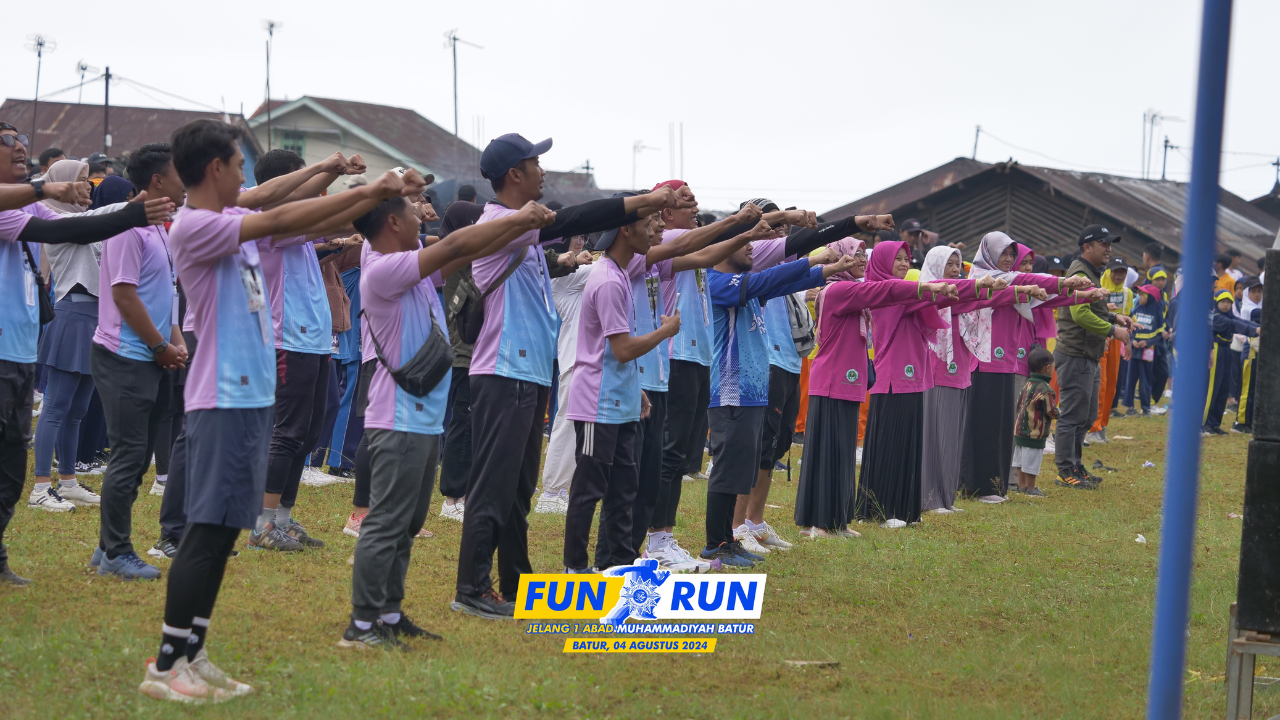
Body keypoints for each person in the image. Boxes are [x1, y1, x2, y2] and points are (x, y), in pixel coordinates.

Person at [138, 118, 423, 702]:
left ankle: (194, 651)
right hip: (222, 396)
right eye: (239, 165)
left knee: (223, 533)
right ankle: (167, 664)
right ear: (215, 169)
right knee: (205, 532)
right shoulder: (197, 225)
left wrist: (340, 179)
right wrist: (373, 191)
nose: (247, 177)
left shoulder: (228, 216)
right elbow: (280, 216)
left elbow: (274, 200)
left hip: (247, 395)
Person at [452, 133, 695, 621]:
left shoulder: (522, 227)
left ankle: (515, 583)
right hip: (503, 370)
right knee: (495, 484)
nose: (543, 171)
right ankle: (471, 587)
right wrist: (643, 201)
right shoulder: (502, 222)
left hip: (526, 373)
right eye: (535, 163)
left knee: (518, 488)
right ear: (515, 174)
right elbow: (577, 219)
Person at [340, 192, 554, 649]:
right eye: (412, 211)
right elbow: (456, 245)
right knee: (386, 521)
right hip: (397, 417)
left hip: (421, 419)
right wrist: (517, 218)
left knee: (408, 522)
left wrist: (514, 229)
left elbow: (464, 251)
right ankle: (361, 625)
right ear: (391, 222)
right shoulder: (383, 268)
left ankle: (390, 613)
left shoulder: (409, 265)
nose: (423, 217)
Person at [0, 120, 172, 587]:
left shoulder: (22, 209)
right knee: (55, 413)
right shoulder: (17, 205)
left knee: (11, 462)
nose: (19, 147)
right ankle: (47, 489)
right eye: (7, 142)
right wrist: (47, 186)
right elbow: (67, 229)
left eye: (21, 141)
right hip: (25, 340)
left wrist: (134, 209)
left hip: (18, 348)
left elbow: (78, 225)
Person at [703, 239, 852, 565]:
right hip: (731, 389)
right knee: (728, 470)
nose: (752, 249)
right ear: (725, 248)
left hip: (752, 392)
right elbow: (771, 278)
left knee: (742, 470)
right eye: (745, 244)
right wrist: (811, 260)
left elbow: (785, 283)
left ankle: (730, 540)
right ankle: (716, 544)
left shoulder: (744, 285)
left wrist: (827, 270)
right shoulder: (719, 282)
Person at [246, 148, 366, 552]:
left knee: (310, 429)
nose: (317, 191)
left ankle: (282, 517)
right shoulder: (268, 221)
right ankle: (261, 523)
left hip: (313, 340)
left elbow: (329, 217)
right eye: (307, 181)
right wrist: (379, 197)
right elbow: (334, 217)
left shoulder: (296, 222)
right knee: (288, 431)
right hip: (286, 338)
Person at [794, 240, 954, 536]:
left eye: (863, 254)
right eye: (854, 254)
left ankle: (837, 522)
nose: (860, 259)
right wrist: (927, 287)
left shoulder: (852, 291)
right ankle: (819, 523)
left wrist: (973, 288)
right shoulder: (840, 290)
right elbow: (885, 290)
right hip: (832, 381)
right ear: (838, 257)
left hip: (847, 381)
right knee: (829, 454)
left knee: (843, 455)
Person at [560, 205, 684, 573]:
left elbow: (615, 350)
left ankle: (619, 564)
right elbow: (622, 348)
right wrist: (665, 331)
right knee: (588, 490)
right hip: (597, 403)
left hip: (620, 399)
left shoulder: (619, 273)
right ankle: (575, 569)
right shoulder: (609, 281)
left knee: (623, 489)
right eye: (647, 224)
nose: (654, 231)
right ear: (625, 231)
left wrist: (635, 389)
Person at [88, 144, 190, 580]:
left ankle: (106, 547)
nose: (187, 183)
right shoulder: (128, 227)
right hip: (125, 356)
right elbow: (124, 295)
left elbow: (163, 292)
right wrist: (158, 345)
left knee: (139, 456)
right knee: (128, 457)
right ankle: (116, 552)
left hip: (151, 354)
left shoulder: (158, 228)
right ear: (157, 181)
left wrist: (175, 340)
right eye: (181, 174)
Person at [857, 241, 987, 527]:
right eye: (898, 259)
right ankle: (883, 510)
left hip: (913, 379)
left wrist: (980, 289)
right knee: (891, 446)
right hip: (893, 380)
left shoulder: (906, 293)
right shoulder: (886, 293)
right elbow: (931, 293)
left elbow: (941, 298)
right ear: (882, 262)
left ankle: (903, 509)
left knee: (908, 446)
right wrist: (974, 285)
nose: (904, 264)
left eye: (907, 259)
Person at [919, 246, 1048, 513]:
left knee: (953, 438)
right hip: (939, 373)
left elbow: (984, 300)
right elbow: (982, 298)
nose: (955, 270)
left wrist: (1019, 291)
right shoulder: (931, 294)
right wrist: (996, 288)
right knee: (938, 438)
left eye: (957, 265)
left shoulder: (962, 293)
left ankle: (946, 497)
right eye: (949, 264)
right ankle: (931, 497)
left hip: (962, 373)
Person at [959, 233, 1086, 503]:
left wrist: (1080, 295)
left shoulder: (1008, 280)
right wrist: (1064, 282)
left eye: (1011, 254)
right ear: (989, 253)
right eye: (1003, 253)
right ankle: (978, 486)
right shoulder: (984, 278)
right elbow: (1026, 283)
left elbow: (1046, 297)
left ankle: (994, 485)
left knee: (1002, 427)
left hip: (1004, 363)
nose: (1008, 259)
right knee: (984, 426)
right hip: (984, 362)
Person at [29, 159, 113, 512]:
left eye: (88, 180)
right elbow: (104, 218)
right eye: (80, 179)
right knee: (56, 407)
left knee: (77, 409)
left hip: (95, 318)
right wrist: (134, 207)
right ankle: (40, 487)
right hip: (73, 315)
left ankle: (68, 481)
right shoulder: (58, 222)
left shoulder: (84, 219)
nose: (87, 185)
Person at [1053, 225, 1132, 490]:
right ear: (1087, 247)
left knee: (1086, 417)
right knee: (1072, 416)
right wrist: (1112, 330)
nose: (1109, 249)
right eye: (1103, 243)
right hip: (1075, 354)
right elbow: (1080, 314)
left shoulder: (1091, 273)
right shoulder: (1080, 273)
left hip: (1088, 354)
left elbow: (1091, 308)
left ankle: (1076, 465)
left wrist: (1113, 317)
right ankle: (1065, 470)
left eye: (1109, 244)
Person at [437, 199, 486, 522]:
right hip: (464, 353)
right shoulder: (457, 257)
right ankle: (452, 498)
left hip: (474, 353)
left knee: (473, 424)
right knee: (463, 424)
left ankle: (466, 493)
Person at [1204, 288, 1260, 437]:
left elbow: (1240, 321)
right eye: (1222, 301)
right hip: (1216, 350)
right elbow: (1234, 325)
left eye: (1229, 302)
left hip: (1226, 350)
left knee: (1223, 388)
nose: (1226, 305)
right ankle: (1204, 424)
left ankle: (1214, 423)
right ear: (1216, 303)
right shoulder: (1216, 317)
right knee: (1213, 388)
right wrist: (1255, 331)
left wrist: (1258, 327)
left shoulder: (1227, 315)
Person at [1011, 346, 1058, 496]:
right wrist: (1060, 414)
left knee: (1020, 461)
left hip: (1020, 430)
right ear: (1048, 367)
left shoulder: (1028, 384)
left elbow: (1018, 403)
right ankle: (1031, 488)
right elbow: (1051, 410)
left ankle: (1021, 486)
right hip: (1034, 432)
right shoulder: (1045, 389)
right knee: (1032, 461)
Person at [1097, 257, 1134, 429]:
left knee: (1112, 384)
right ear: (1108, 271)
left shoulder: (1127, 293)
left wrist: (1127, 342)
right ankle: (1093, 426)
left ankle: (1102, 426)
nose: (1118, 276)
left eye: (1122, 272)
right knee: (1100, 384)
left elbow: (1127, 320)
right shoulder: (1098, 288)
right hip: (1099, 338)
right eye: (1115, 272)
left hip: (1116, 340)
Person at [1123, 284, 1165, 416]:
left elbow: (1159, 334)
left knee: (1146, 378)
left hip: (1148, 351)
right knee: (1131, 379)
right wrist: (1133, 340)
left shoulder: (1157, 312)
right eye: (1139, 294)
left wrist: (1147, 342)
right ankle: (1130, 407)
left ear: (1150, 297)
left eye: (1142, 295)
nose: (1139, 297)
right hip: (1134, 350)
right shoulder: (1136, 309)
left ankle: (1146, 407)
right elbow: (1130, 328)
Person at [1233, 276, 1263, 433]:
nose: (1257, 295)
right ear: (1247, 293)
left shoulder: (1258, 306)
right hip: (1250, 352)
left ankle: (1250, 421)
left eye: (1260, 291)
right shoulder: (1249, 309)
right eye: (1254, 291)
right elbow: (1267, 314)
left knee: (1254, 388)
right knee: (1247, 388)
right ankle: (1241, 422)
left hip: (1258, 352)